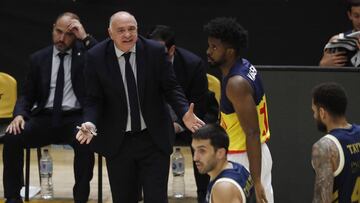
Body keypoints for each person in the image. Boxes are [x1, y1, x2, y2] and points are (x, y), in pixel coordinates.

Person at [75, 11, 204, 203]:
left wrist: (184, 112)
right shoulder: (96, 56)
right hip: (118, 142)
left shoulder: (154, 51)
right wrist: (90, 122)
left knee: (156, 198)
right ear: (110, 33)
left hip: (153, 138)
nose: (127, 35)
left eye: (131, 29)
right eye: (121, 30)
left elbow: (171, 87)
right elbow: (93, 98)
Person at [3, 12, 97, 203]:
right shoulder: (38, 58)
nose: (61, 38)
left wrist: (85, 37)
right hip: (44, 118)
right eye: (58, 31)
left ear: (76, 34)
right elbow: (26, 95)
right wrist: (19, 114)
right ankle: (13, 197)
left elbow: (106, 58)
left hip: (74, 118)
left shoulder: (86, 56)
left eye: (68, 34)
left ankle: (81, 197)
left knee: (85, 143)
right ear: (53, 28)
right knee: (12, 136)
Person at [204, 17, 273, 203]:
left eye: (214, 47)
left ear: (230, 51)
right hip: (254, 152)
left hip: (244, 157)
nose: (208, 51)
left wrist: (256, 180)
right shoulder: (245, 66)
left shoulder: (236, 83)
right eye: (209, 45)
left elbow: (251, 132)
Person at [147, 24, 209, 202]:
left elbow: (200, 104)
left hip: (185, 123)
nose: (156, 57)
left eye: (161, 52)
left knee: (203, 137)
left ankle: (203, 194)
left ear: (172, 49)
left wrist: (180, 125)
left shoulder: (192, 64)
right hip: (155, 122)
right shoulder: (142, 62)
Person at [311, 82, 360, 203]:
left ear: (322, 113)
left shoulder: (325, 147)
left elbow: (322, 200)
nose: (314, 115)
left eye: (314, 111)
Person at [192, 124, 256, 203]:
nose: (195, 158)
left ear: (220, 153)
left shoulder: (223, 188)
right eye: (195, 150)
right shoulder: (238, 168)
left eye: (202, 151)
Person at [319, 1, 360, 67]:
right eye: (356, 16)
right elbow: (322, 70)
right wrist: (323, 65)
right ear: (350, 15)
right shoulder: (337, 40)